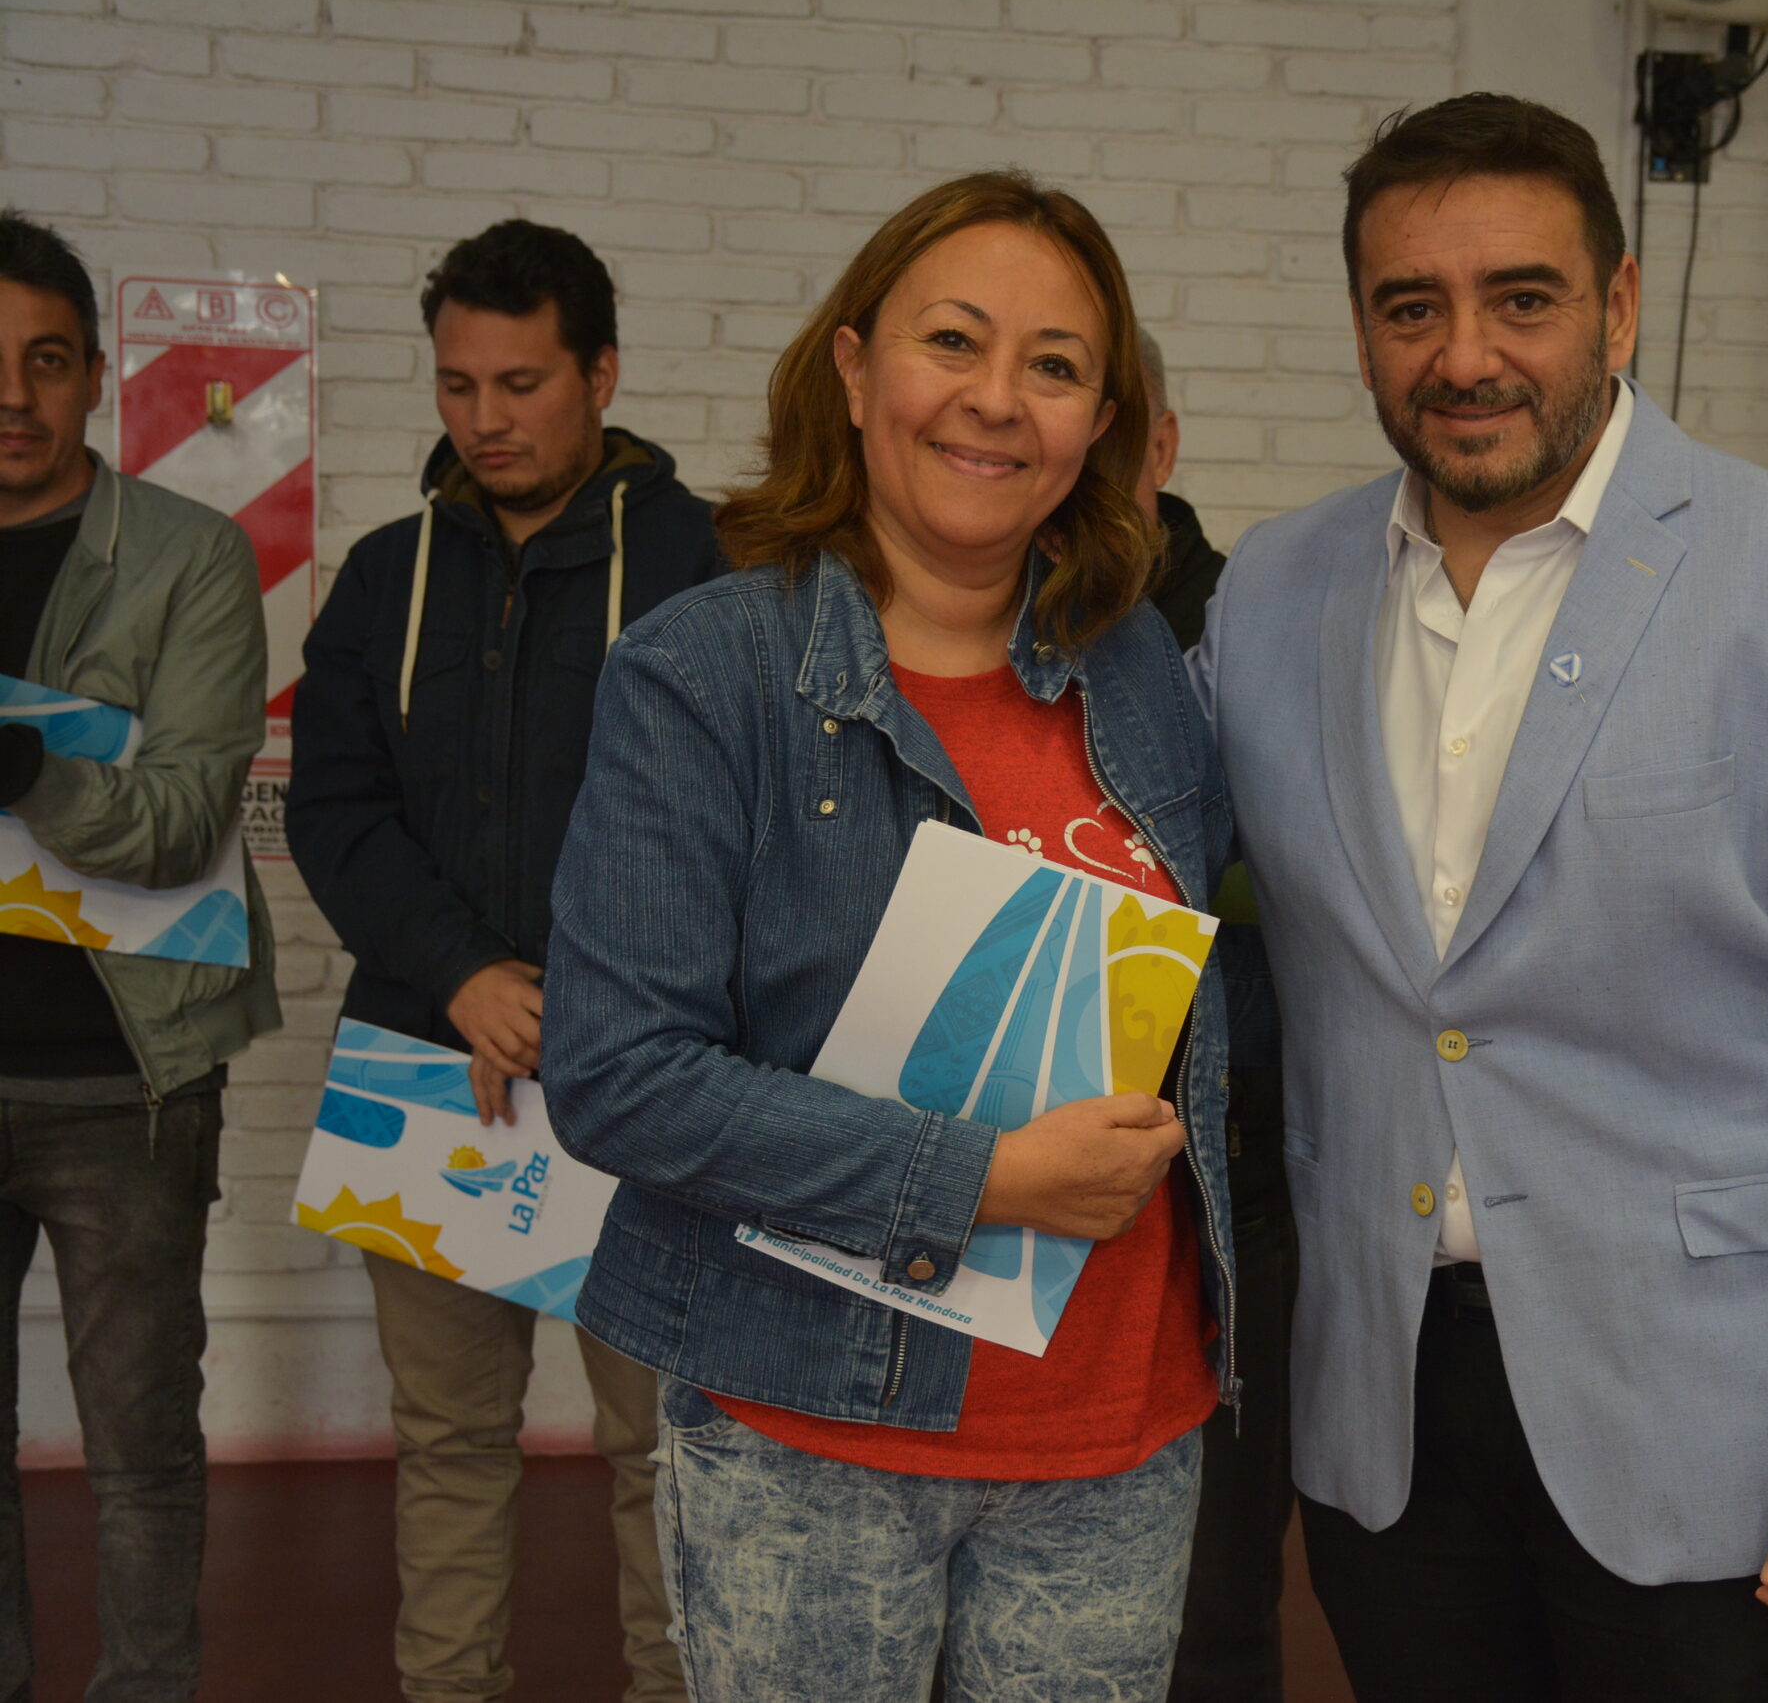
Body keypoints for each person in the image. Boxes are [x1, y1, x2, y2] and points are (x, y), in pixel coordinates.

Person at [1191, 94, 1768, 1703]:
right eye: (1410, 308)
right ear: (1360, 329)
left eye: (1523, 299)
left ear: (1618, 305)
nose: (1464, 356)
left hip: (1716, 1422)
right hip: (1383, 1412)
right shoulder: (1272, 588)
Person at [540, 172, 1236, 1703]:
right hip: (812, 1430)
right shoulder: (704, 675)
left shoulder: (1140, 666)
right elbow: (617, 1077)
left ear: (1102, 421)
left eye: (1055, 366)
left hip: (1117, 1434)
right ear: (854, 371)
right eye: (953, 342)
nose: (997, 401)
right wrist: (984, 1181)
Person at [286, 220, 719, 1703]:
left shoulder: (713, 567)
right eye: (458, 385)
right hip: (425, 1065)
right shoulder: (382, 576)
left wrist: (598, 1002)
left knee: (666, 1453)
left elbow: (750, 826)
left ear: (602, 373)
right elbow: (335, 810)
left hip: (652, 1083)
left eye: (521, 384)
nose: (486, 419)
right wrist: (464, 974)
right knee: (448, 1445)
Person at [0, 209, 279, 1702]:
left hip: (126, 1081)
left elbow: (179, 823)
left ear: (98, 376)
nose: (13, 396)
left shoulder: (188, 556)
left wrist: (22, 767)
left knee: (139, 1454)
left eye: (47, 361)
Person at [1132, 327, 1298, 1703]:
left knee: (1217, 1595)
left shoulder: (1256, 630)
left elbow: (1326, 879)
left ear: (1162, 446)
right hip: (1015, 1161)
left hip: (1233, 1163)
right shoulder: (975, 626)